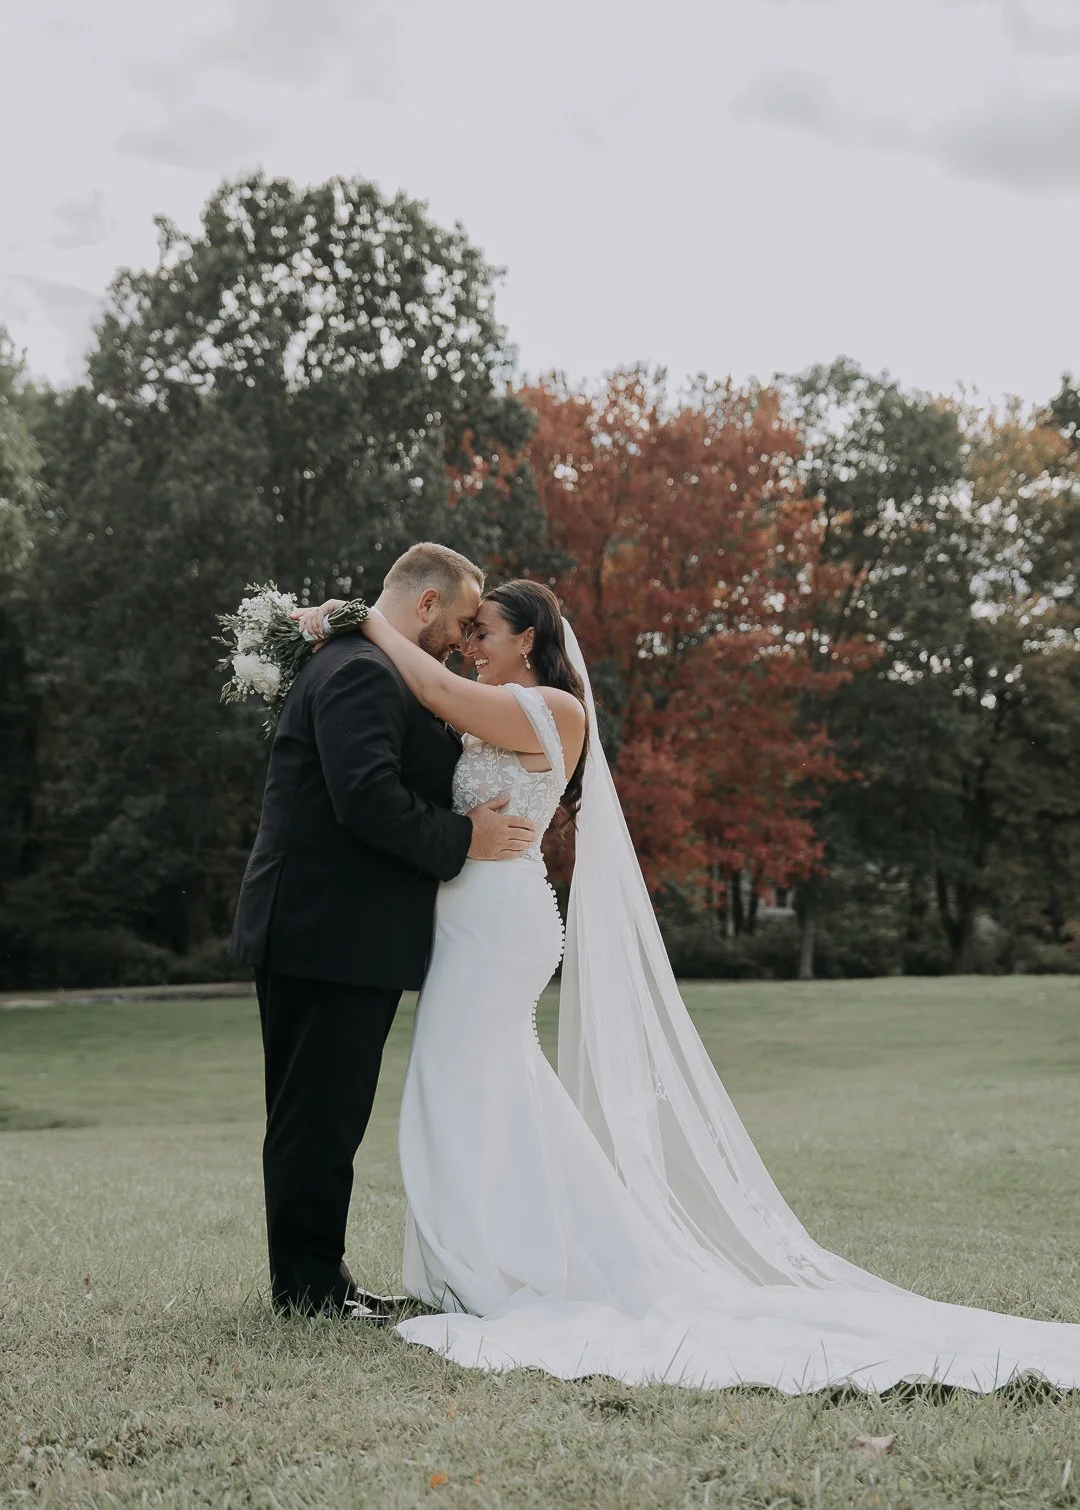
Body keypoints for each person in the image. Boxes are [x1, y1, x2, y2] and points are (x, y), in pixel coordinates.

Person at [297, 576, 1080, 1392]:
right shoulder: (487, 705)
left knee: (454, 1085)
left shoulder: (553, 711)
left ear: (528, 639)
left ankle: (496, 1268)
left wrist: (359, 621)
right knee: (481, 1088)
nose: (471, 645)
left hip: (497, 926)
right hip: (470, 924)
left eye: (484, 630)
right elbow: (423, 711)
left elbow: (427, 682)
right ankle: (495, 1259)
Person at [229, 543, 537, 1318]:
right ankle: (307, 1292)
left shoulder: (368, 666)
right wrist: (464, 838)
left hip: (337, 934)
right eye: (464, 619)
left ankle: (316, 1278)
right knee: (316, 1119)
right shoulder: (361, 673)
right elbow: (365, 797)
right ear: (426, 605)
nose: (465, 640)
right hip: (322, 932)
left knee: (326, 1115)